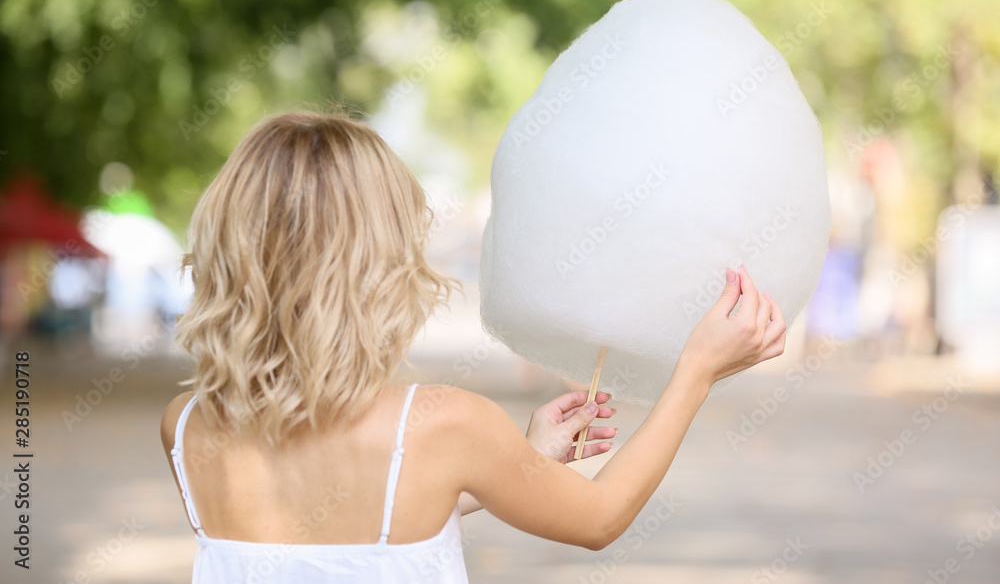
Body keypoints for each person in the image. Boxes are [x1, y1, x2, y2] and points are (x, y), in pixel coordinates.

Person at [161, 110, 786, 582]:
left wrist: (518, 459)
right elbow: (599, 518)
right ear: (374, 263)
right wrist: (696, 370)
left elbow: (322, 544)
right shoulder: (445, 425)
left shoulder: (184, 428)